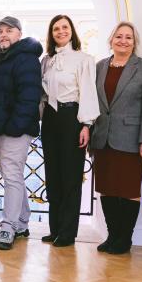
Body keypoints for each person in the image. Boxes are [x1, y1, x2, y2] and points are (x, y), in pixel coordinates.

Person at [90, 22, 142, 254]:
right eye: (119, 36)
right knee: (107, 188)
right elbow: (93, 102)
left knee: (128, 190)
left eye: (129, 37)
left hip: (131, 138)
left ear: (134, 42)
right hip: (102, 137)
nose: (123, 41)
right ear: (111, 40)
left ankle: (124, 239)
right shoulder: (99, 67)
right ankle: (112, 236)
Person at [0, 15, 43, 251]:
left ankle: (7, 227)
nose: (3, 35)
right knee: (13, 175)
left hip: (15, 130)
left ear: (19, 33)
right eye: (0, 31)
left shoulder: (27, 58)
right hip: (0, 128)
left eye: (9, 31)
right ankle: (22, 222)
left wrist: (14, 127)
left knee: (11, 176)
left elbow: (29, 97)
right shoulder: (0, 57)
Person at [39, 14, 99, 247]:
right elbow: (43, 95)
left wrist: (86, 125)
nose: (61, 32)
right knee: (53, 175)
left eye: (65, 27)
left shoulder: (84, 59)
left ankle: (67, 232)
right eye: (56, 29)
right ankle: (55, 229)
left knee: (71, 176)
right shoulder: (47, 61)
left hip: (72, 117)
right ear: (51, 34)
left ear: (72, 31)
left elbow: (88, 92)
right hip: (51, 119)